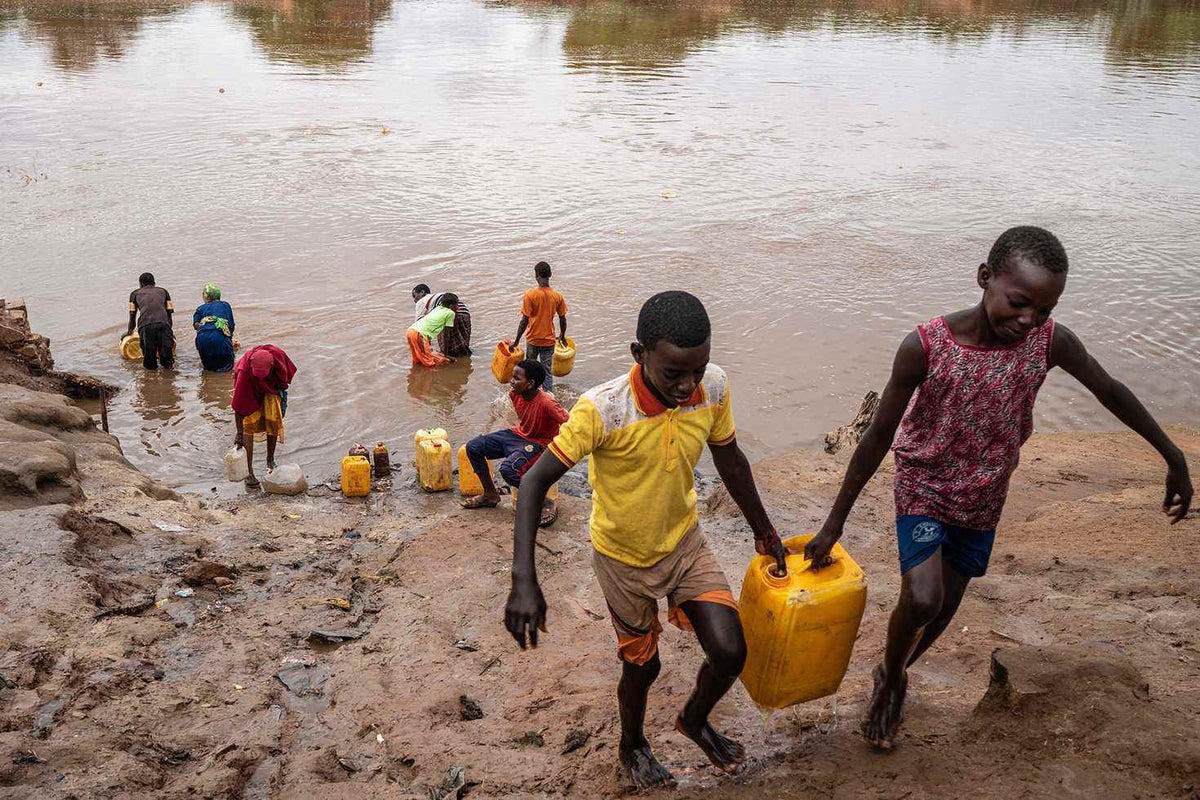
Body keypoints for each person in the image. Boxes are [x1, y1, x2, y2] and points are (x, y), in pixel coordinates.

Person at [803, 226, 1194, 752]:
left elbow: (1109, 390)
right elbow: (877, 437)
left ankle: (892, 670)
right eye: (1018, 302)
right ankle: (894, 676)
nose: (1028, 319)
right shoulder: (926, 346)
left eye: (1044, 309)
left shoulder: (1049, 342)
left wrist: (1173, 456)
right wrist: (834, 523)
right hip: (925, 485)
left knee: (945, 609)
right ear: (985, 278)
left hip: (985, 498)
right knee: (922, 598)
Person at [504, 291, 788, 791]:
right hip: (621, 559)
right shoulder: (603, 410)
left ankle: (694, 719)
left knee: (729, 650)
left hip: (683, 544)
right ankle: (631, 743)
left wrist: (765, 533)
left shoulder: (714, 388)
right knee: (642, 665)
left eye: (696, 370)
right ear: (639, 354)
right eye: (673, 373)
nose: (687, 385)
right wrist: (524, 580)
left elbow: (730, 460)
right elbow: (533, 483)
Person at [460, 359, 568, 526]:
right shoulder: (514, 394)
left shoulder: (547, 402)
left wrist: (558, 451)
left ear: (531, 383)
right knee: (473, 447)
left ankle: (546, 502)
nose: (511, 381)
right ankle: (490, 494)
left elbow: (569, 422)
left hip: (539, 443)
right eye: (513, 376)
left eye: (517, 378)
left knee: (508, 470)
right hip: (519, 435)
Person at [231, 344, 297, 489]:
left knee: (272, 420)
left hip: (271, 388)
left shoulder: (278, 358)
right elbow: (239, 405)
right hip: (250, 386)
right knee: (249, 424)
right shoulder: (245, 372)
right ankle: (248, 472)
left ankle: (270, 460)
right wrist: (239, 433)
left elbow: (285, 379)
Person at [510, 261, 567, 392]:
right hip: (549, 340)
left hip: (533, 339)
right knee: (546, 371)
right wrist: (562, 336)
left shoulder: (530, 295)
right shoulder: (557, 296)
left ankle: (529, 393)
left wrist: (517, 341)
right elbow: (563, 318)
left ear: (536, 276)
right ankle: (549, 396)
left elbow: (524, 320)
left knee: (528, 370)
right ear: (550, 274)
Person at [124, 272, 175, 370]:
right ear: (154, 283)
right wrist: (170, 332)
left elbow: (132, 315)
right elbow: (169, 314)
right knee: (167, 359)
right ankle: (169, 378)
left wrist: (129, 332)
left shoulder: (134, 294)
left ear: (140, 284)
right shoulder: (164, 291)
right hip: (163, 324)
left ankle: (151, 380)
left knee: (149, 359)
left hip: (145, 326)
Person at [412, 284, 472, 357]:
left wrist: (427, 347)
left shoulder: (421, 302)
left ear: (422, 292)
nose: (414, 300)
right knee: (463, 344)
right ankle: (466, 361)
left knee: (449, 348)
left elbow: (419, 327)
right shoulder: (440, 296)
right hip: (464, 312)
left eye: (414, 296)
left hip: (452, 313)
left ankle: (452, 362)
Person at [407, 293, 459, 368]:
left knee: (418, 359)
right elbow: (446, 335)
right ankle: (429, 378)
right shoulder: (450, 313)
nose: (458, 307)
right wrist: (446, 354)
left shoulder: (438, 308)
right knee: (430, 364)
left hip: (411, 330)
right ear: (451, 306)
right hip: (419, 334)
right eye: (456, 305)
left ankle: (415, 374)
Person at [193, 283, 236, 372]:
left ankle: (209, 384)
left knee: (208, 369)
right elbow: (231, 325)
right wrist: (229, 339)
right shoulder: (225, 305)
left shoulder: (200, 308)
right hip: (219, 336)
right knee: (227, 369)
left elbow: (196, 325)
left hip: (202, 338)